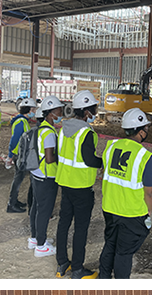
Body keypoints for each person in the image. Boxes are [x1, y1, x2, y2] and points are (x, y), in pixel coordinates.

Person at [99, 108, 152, 279]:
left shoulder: (110, 147)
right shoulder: (145, 156)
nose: (146, 131)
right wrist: (149, 211)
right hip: (132, 213)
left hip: (110, 208)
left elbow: (105, 174)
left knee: (110, 244)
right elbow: (150, 191)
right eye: (145, 128)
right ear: (140, 132)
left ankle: (103, 280)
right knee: (124, 253)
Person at [54, 90, 102, 279]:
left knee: (64, 223)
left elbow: (60, 156)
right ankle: (77, 269)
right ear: (87, 112)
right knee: (81, 228)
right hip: (81, 186)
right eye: (94, 109)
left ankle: (62, 264)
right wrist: (104, 162)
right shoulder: (86, 132)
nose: (95, 112)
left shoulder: (63, 129)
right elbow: (89, 160)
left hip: (65, 184)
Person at [28, 95, 63, 258]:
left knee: (36, 206)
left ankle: (35, 238)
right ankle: (41, 246)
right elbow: (50, 158)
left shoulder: (39, 128)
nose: (60, 113)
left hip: (36, 173)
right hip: (47, 175)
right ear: (50, 114)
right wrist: (62, 157)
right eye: (58, 111)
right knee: (44, 210)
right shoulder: (49, 132)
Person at [7, 97, 36, 213]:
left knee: (19, 178)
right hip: (18, 154)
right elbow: (14, 140)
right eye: (33, 109)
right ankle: (11, 204)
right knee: (17, 179)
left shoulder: (22, 121)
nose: (34, 111)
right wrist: (10, 155)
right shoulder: (20, 122)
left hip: (20, 153)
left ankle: (14, 201)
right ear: (28, 110)